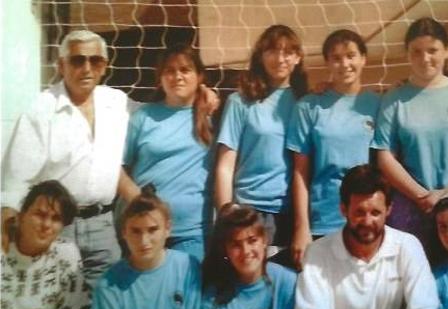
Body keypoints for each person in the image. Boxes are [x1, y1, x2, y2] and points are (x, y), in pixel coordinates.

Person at [1, 30, 220, 287]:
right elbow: (17, 176)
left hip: (103, 227)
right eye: (77, 60)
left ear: (104, 66)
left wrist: (203, 94)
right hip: (56, 223)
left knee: (102, 302)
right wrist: (7, 220)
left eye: (95, 60)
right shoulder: (40, 109)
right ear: (61, 65)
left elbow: (164, 111)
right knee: (51, 299)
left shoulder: (115, 102)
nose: (86, 67)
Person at [294, 165, 439, 309]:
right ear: (343, 209)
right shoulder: (318, 252)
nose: (367, 222)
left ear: (389, 210)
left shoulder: (407, 245)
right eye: (359, 212)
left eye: (376, 212)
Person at [371, 17, 448, 248]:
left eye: (432, 50)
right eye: (417, 51)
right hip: (414, 205)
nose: (425, 58)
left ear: (446, 51)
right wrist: (421, 195)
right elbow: (385, 157)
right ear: (407, 54)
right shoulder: (394, 98)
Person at [214, 24, 308, 264]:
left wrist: (302, 221)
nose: (280, 58)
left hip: (292, 213)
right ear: (261, 55)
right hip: (249, 210)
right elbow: (225, 165)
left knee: (283, 285)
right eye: (272, 51)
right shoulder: (240, 101)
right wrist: (227, 214)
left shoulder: (306, 101)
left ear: (298, 58)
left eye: (288, 52)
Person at [287, 29, 381, 268]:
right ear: (327, 62)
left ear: (363, 58)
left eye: (351, 55)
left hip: (368, 220)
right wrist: (302, 227)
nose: (344, 64)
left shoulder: (379, 105)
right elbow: (300, 172)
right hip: (324, 219)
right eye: (336, 57)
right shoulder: (308, 106)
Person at [89, 187, 202, 309]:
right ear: (123, 232)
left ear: (168, 228)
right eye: (136, 231)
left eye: (152, 230)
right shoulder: (108, 284)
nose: (144, 240)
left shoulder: (187, 266)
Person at [119, 43, 216, 262]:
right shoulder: (142, 117)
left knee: (187, 294)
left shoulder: (212, 118)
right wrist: (138, 200)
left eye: (185, 70)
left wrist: (206, 93)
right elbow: (118, 168)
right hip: (146, 230)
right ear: (160, 77)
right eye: (169, 71)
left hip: (193, 232)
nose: (177, 76)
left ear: (199, 76)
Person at [1, 180, 91, 309]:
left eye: (56, 218)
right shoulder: (3, 248)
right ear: (21, 215)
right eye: (39, 214)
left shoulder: (65, 254)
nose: (46, 225)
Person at [198, 203, 297, 309]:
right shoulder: (213, 296)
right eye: (236, 244)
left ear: (265, 240)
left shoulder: (286, 281)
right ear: (225, 250)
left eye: (252, 241)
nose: (246, 251)